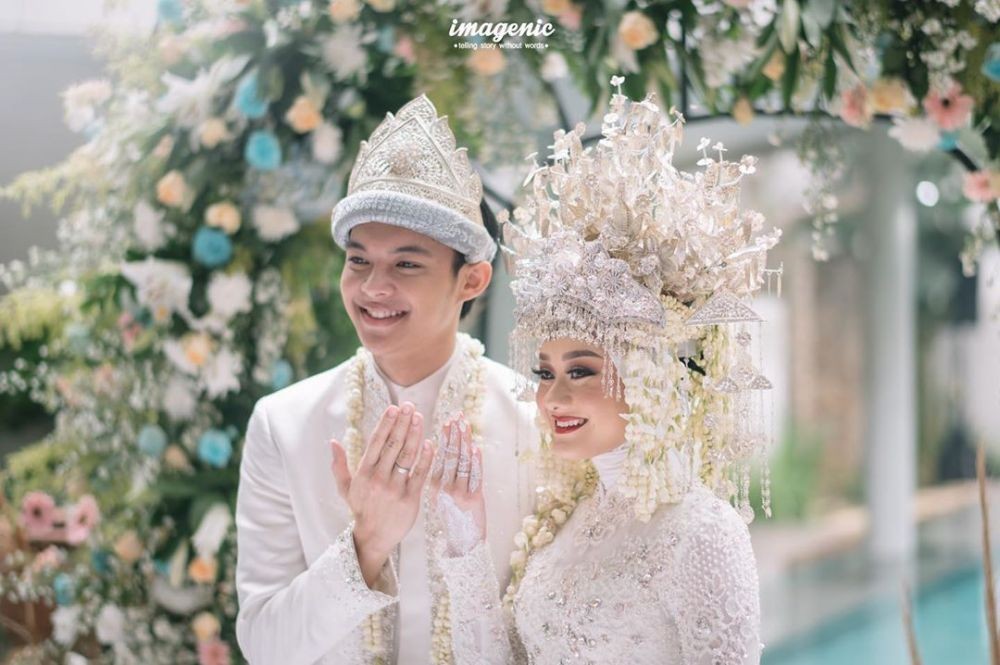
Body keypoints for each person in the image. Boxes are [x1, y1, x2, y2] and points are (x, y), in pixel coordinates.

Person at [432, 82, 781, 664]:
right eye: (545, 373)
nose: (552, 398)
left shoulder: (703, 532)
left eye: (581, 371)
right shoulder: (572, 517)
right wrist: (467, 542)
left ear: (648, 376)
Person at [234, 94, 535, 665]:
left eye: (406, 263)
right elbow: (265, 645)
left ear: (471, 281)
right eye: (358, 260)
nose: (373, 288)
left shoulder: (533, 422)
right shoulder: (284, 424)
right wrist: (366, 543)